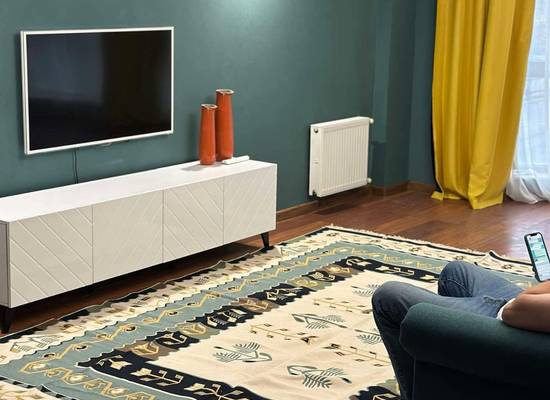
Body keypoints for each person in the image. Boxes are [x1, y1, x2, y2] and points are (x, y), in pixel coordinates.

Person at [371, 260, 550, 400]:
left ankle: (412, 395)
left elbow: (514, 311)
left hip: (518, 328)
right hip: (531, 315)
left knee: (388, 297)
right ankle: (450, 378)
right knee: (455, 272)